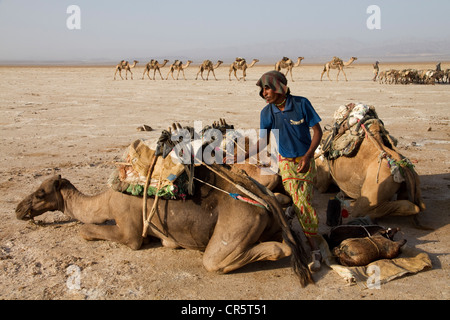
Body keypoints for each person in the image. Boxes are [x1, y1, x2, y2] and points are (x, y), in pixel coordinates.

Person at [228, 70, 323, 271]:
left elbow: (317, 131)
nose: (264, 93)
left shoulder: (301, 104)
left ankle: (314, 247)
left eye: (267, 87)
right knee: (299, 200)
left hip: (306, 160)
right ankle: (309, 241)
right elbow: (263, 142)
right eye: (262, 89)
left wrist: (307, 156)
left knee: (303, 201)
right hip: (286, 162)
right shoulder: (267, 113)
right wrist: (239, 157)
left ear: (279, 87)